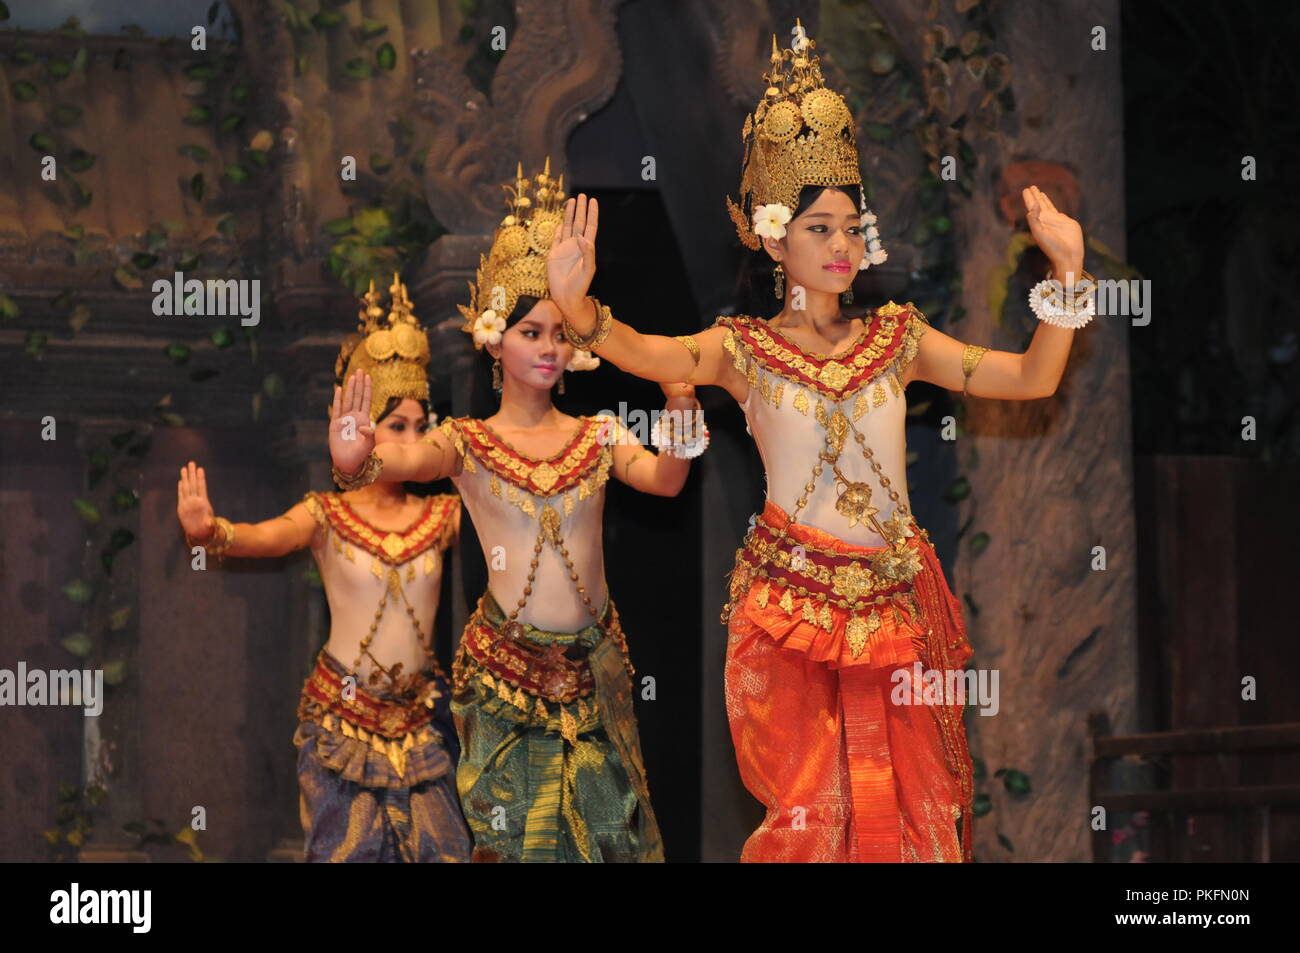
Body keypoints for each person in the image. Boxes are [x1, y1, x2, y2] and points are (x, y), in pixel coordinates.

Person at [544, 24, 1092, 862]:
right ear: (773, 238)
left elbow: (1030, 379)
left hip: (896, 608)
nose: (843, 247)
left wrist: (1067, 275)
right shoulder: (743, 350)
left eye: (850, 227)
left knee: (910, 818)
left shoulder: (901, 339)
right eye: (820, 229)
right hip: (788, 611)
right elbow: (652, 356)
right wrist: (582, 311)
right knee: (814, 816)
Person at [329, 161, 707, 862]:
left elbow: (666, 481)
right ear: (496, 337)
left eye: (560, 333)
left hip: (596, 675)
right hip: (503, 684)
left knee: (610, 844)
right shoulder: (469, 443)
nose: (549, 348)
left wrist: (682, 404)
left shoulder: (598, 434)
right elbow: (404, 463)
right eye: (531, 331)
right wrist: (357, 457)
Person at [176, 275, 472, 862]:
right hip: (343, 720)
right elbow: (260, 538)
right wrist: (209, 531)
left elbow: (513, 521)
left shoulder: (445, 515)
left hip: (422, 722)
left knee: (444, 851)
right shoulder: (326, 516)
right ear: (362, 431)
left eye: (420, 426)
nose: (410, 440)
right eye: (395, 426)